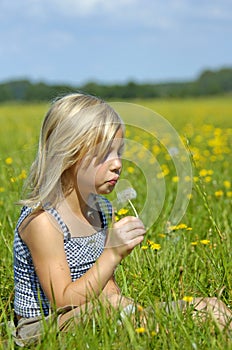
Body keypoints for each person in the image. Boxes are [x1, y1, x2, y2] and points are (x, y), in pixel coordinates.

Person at [13, 93, 231, 346]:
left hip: (97, 311)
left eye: (119, 152)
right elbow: (63, 301)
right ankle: (162, 336)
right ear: (69, 154)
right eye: (106, 153)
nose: (118, 163)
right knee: (114, 309)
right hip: (44, 327)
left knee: (209, 306)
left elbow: (107, 287)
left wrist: (129, 308)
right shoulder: (43, 221)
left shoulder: (101, 209)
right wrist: (112, 254)